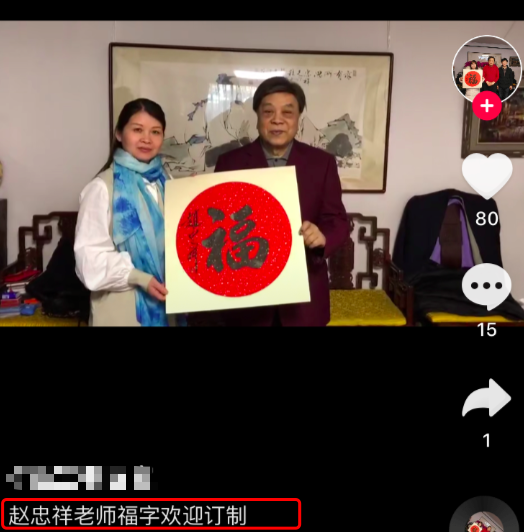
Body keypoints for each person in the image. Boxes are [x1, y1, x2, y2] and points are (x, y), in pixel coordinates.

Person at [212, 76, 349, 326]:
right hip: (247, 300)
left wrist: (322, 237)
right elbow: (217, 225)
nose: (277, 120)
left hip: (304, 301)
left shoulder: (322, 163)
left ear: (298, 118)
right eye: (268, 112)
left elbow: (337, 220)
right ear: (257, 116)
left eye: (287, 112)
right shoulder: (229, 163)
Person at [75, 98, 181, 326]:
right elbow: (89, 262)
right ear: (119, 134)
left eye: (155, 132)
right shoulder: (101, 188)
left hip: (168, 304)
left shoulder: (167, 182)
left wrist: (193, 196)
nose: (146, 139)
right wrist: (138, 277)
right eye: (137, 130)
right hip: (123, 310)